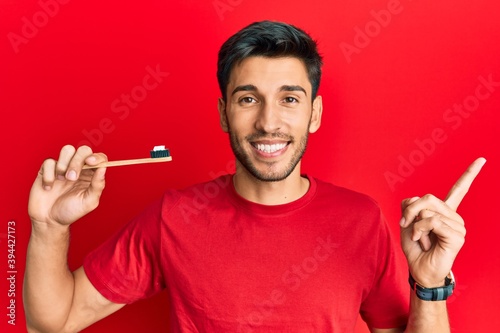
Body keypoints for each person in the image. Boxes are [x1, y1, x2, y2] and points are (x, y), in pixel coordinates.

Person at [24, 20, 485, 333]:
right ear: (225, 114)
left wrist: (429, 285)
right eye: (248, 99)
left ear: (315, 113)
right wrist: (48, 227)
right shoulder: (173, 217)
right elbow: (53, 321)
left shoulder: (362, 219)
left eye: (289, 99)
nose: (268, 122)